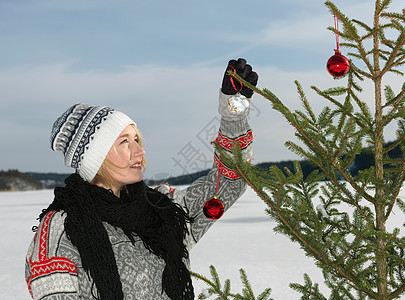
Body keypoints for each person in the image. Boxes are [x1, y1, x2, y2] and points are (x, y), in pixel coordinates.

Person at [25, 58, 258, 300]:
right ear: (96, 157)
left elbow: (229, 183)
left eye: (136, 139)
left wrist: (234, 111)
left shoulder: (162, 210)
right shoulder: (60, 231)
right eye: (124, 142)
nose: (139, 151)